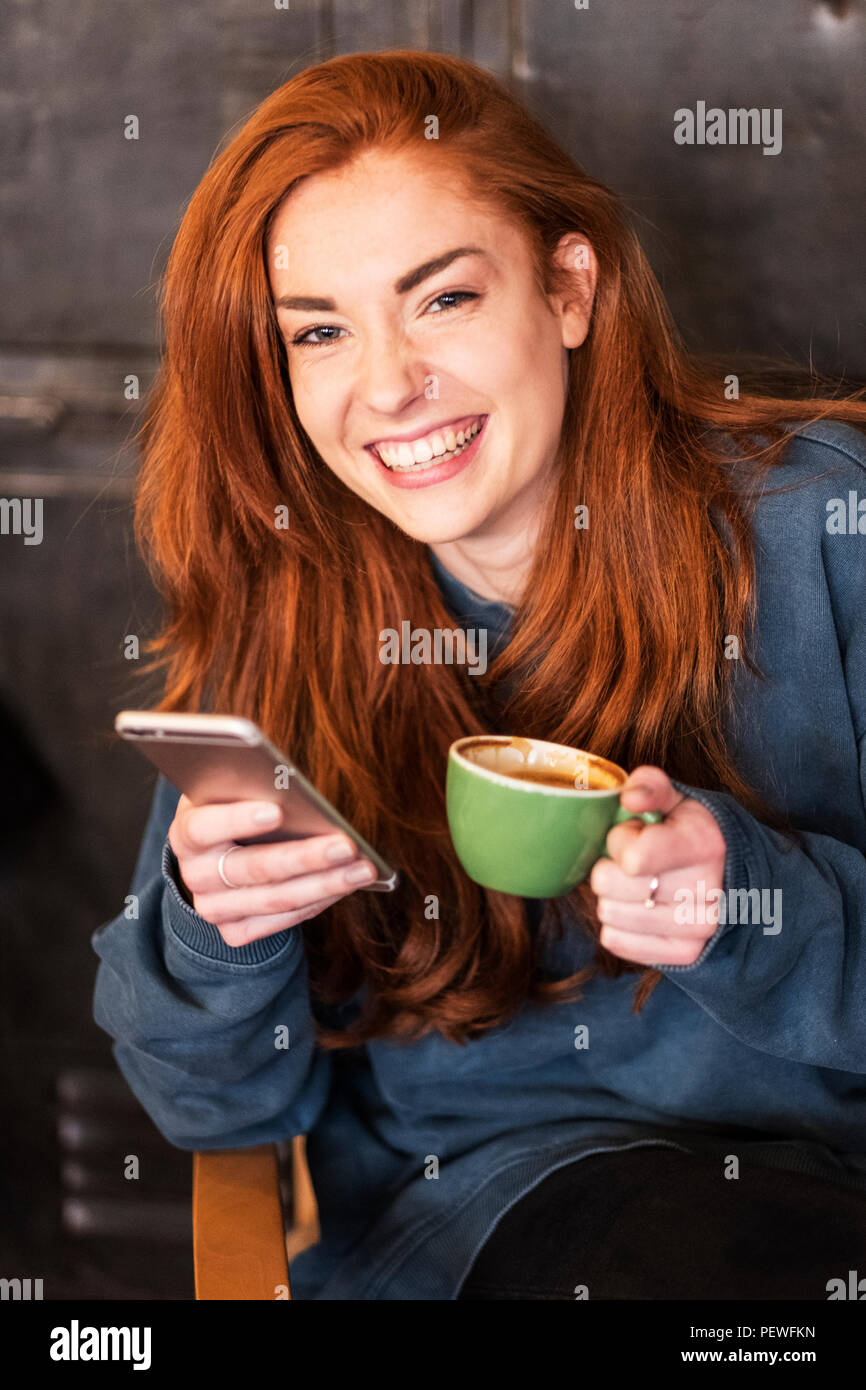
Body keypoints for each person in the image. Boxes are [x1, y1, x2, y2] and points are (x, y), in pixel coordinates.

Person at [92, 50, 866, 1300]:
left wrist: (758, 914)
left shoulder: (823, 528)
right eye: (321, 332)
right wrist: (215, 938)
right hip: (487, 1207)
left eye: (441, 299)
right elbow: (216, 1113)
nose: (388, 384)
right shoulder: (281, 622)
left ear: (568, 287)